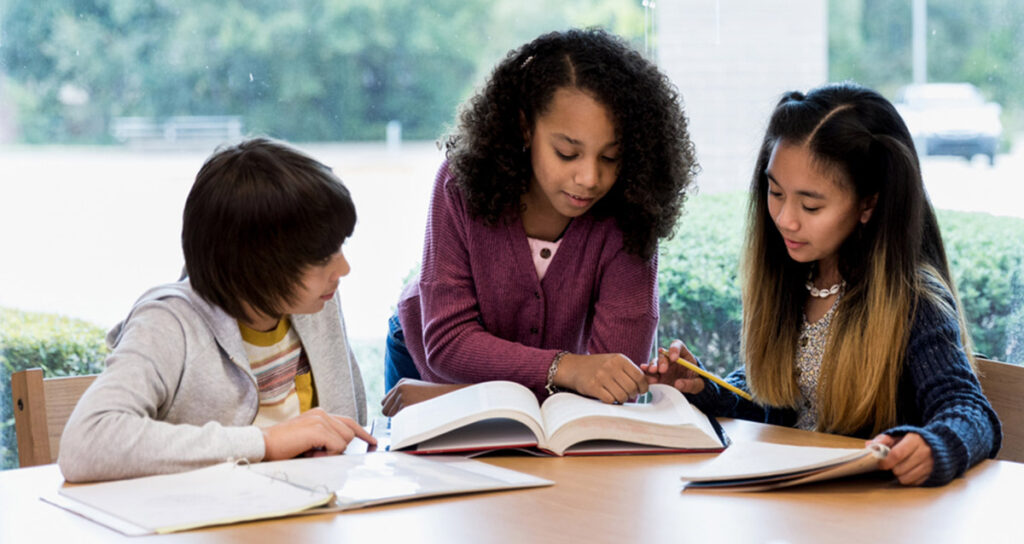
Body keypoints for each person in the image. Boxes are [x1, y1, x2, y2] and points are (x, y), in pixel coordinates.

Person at [642, 83, 1001, 487]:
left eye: (811, 205)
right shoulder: (796, 276)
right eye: (775, 192)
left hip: (872, 508)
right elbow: (777, 406)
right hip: (788, 501)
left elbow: (970, 410)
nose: (785, 219)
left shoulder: (915, 301)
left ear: (868, 204)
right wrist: (706, 388)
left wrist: (935, 445)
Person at [382, 28, 697, 415]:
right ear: (525, 127)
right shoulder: (461, 183)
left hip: (451, 393)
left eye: (610, 157)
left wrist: (454, 400)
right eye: (567, 152)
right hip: (425, 370)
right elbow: (449, 343)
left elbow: (614, 385)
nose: (590, 178)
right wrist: (568, 369)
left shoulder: (632, 210)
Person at [58, 138, 375, 482]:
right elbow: (85, 444)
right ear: (257, 263)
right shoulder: (168, 323)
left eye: (339, 248)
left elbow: (347, 436)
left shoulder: (315, 302)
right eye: (323, 258)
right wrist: (265, 443)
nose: (344, 269)